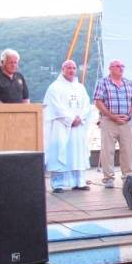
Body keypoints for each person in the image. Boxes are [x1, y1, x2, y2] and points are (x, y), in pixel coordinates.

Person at [43, 60, 93, 193]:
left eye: (74, 68)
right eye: (69, 68)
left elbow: (86, 105)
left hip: (78, 128)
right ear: (63, 69)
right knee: (61, 153)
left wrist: (80, 118)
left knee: (77, 153)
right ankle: (58, 184)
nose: (72, 70)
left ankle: (79, 182)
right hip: (61, 126)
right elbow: (55, 107)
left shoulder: (80, 87)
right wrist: (70, 119)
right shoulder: (54, 87)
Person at [94, 59, 132, 189]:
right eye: (118, 66)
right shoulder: (102, 83)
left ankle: (128, 176)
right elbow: (98, 102)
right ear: (111, 68)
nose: (121, 68)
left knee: (127, 150)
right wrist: (112, 116)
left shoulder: (129, 83)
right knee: (107, 150)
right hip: (109, 121)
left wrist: (129, 116)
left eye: (122, 66)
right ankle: (108, 178)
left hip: (126, 122)